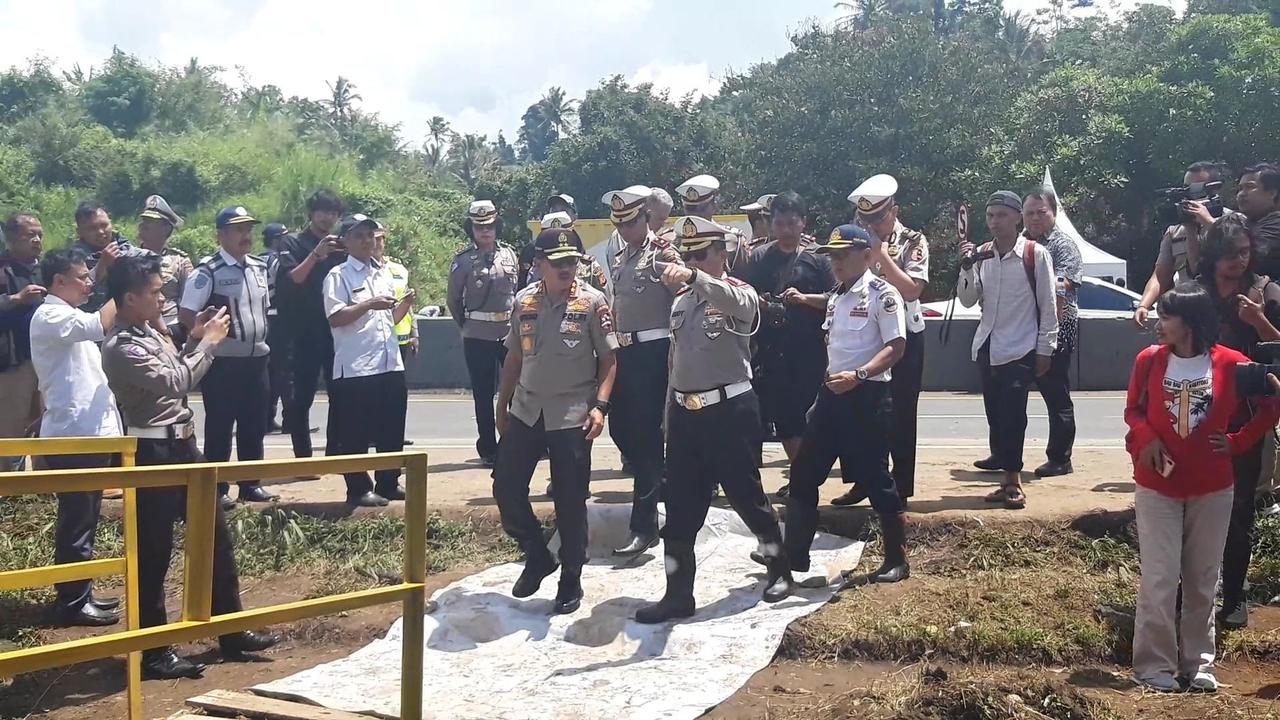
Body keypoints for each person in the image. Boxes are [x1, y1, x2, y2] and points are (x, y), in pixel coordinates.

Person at [101, 255, 279, 680]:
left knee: (215, 538)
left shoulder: (149, 333)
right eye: (155, 292)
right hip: (153, 453)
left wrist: (194, 338)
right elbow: (176, 381)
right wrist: (209, 343)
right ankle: (154, 650)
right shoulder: (121, 345)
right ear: (130, 297)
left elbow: (176, 366)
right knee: (154, 552)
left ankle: (231, 629)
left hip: (184, 448)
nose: (162, 298)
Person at [635, 216, 793, 624]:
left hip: (729, 410)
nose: (693, 261)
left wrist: (692, 275)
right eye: (688, 255)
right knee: (681, 511)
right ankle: (677, 594)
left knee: (748, 499)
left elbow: (741, 305)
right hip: (687, 414)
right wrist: (670, 416)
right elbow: (676, 362)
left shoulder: (738, 292)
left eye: (701, 254)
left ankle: (779, 568)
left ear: (722, 255)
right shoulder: (682, 302)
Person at [1123, 283, 1279, 692]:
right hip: (1157, 486)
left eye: (1166, 316)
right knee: (1159, 576)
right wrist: (1146, 438)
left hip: (1213, 486)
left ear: (1190, 322)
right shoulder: (1149, 361)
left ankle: (1198, 663)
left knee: (1202, 577)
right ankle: (1153, 665)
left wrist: (1238, 442)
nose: (1159, 324)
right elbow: (1133, 410)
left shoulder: (1231, 364)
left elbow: (1271, 403)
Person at [493, 227, 616, 615]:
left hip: (572, 415)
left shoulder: (593, 303)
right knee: (506, 488)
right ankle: (536, 552)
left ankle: (570, 580)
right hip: (527, 410)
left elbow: (610, 361)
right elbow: (514, 358)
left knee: (570, 502)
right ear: (539, 265)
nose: (567, 269)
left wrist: (600, 407)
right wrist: (502, 404)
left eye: (572, 262)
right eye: (558, 263)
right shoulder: (523, 302)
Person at [783, 225, 909, 584]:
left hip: (866, 398)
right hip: (831, 398)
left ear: (867, 255)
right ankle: (795, 555)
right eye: (832, 256)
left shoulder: (883, 295)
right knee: (804, 472)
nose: (835, 262)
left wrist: (860, 375)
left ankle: (896, 560)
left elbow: (896, 347)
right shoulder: (838, 294)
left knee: (876, 479)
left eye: (842, 255)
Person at [1195, 214, 1280, 630]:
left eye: (1244, 253)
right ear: (1213, 256)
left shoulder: (1266, 292)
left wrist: (1260, 323)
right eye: (1230, 256)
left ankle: (1234, 595)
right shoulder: (1195, 293)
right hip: (1195, 414)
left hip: (1247, 416)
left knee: (1240, 510)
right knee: (1191, 508)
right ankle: (1190, 592)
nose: (1238, 263)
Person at [29, 248, 122, 627]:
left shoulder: (66, 315)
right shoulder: (50, 315)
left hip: (86, 433)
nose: (89, 282)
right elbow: (100, 324)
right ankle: (71, 602)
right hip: (73, 435)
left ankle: (80, 593)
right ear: (58, 283)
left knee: (85, 517)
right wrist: (122, 284)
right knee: (77, 520)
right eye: (82, 277)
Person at [958, 191, 1058, 510]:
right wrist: (967, 266)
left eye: (1001, 215)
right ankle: (1003, 474)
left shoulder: (1035, 254)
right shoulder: (983, 254)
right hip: (988, 344)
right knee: (995, 414)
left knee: (1014, 415)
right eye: (990, 216)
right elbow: (968, 299)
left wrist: (1045, 348)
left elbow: (1049, 304)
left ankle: (1013, 481)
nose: (995, 222)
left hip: (1022, 345)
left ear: (1017, 218)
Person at [834, 174, 929, 506]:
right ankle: (863, 481)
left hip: (902, 336)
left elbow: (912, 289)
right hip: (864, 336)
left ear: (894, 211)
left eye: (877, 216)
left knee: (900, 414)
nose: (871, 224)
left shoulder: (913, 241)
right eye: (865, 218)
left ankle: (899, 489)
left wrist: (881, 254)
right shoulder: (854, 242)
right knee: (859, 413)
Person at [601, 186, 682, 555]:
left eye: (631, 223)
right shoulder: (620, 255)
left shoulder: (663, 253)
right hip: (625, 349)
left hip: (655, 350)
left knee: (647, 437)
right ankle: (660, 480)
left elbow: (681, 301)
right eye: (619, 224)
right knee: (620, 427)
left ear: (645, 219)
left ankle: (644, 525)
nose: (625, 230)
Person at [179, 206, 276, 510]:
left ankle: (250, 484)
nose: (245, 236)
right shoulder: (208, 271)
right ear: (221, 235)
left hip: (257, 358)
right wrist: (205, 332)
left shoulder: (260, 267)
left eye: (248, 229)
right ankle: (217, 488)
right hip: (223, 361)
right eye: (238, 230)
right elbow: (186, 314)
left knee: (254, 424)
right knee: (221, 425)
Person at [737, 192, 834, 476]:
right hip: (770, 349)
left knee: (809, 416)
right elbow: (739, 290)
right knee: (784, 417)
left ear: (803, 223)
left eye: (792, 223)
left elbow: (836, 297)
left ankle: (806, 475)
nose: (786, 230)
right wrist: (762, 302)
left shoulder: (817, 258)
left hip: (809, 350)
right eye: (780, 224)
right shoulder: (759, 257)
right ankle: (800, 476)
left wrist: (804, 299)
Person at [324, 214, 415, 507]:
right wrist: (368, 304)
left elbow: (388, 318)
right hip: (356, 366)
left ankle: (388, 482)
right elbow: (336, 317)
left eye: (370, 235)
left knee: (391, 427)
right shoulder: (338, 276)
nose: (367, 241)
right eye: (359, 235)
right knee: (355, 432)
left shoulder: (383, 273)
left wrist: (405, 306)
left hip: (388, 362)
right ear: (346, 241)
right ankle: (358, 488)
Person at [447, 200, 520, 467]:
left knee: (514, 390)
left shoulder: (510, 255)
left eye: (489, 226)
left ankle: (514, 442)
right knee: (482, 394)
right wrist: (466, 326)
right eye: (479, 227)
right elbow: (453, 300)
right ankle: (488, 448)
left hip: (508, 333)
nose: (485, 232)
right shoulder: (463, 261)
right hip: (477, 334)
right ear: (472, 230)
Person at [276, 189, 347, 460]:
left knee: (339, 395)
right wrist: (316, 255)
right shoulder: (290, 243)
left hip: (334, 331)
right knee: (300, 398)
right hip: (300, 331)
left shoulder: (341, 247)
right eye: (323, 211)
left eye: (333, 213)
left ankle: (335, 454)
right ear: (311, 213)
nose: (328, 218)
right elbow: (292, 278)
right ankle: (303, 457)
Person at [1023, 187, 1081, 477]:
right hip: (1023, 326)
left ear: (1054, 213)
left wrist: (1049, 328)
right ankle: (1002, 453)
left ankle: (1060, 458)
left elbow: (1064, 284)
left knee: (1055, 392)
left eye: (1041, 212)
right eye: (1029, 213)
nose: (1034, 218)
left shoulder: (1062, 244)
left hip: (1059, 323)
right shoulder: (1018, 243)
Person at [1134, 162, 1228, 328]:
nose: (1189, 196)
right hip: (1186, 313)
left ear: (1214, 189)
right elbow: (1160, 275)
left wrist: (1207, 222)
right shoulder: (1175, 231)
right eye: (1185, 189)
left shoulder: (1232, 222)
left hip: (1222, 311)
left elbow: (1236, 250)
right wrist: (1144, 305)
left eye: (1195, 189)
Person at [0, 213, 45, 471]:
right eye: (30, 235)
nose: (37, 240)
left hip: (45, 360)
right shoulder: (3, 268)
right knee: (10, 430)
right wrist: (15, 299)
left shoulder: (45, 269)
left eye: (40, 235)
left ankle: (44, 491)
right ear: (11, 238)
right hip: (13, 363)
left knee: (45, 424)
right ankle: (9, 496)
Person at [71, 200, 151, 313]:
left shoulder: (131, 252)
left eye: (104, 225)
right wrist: (100, 267)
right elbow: (77, 301)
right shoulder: (72, 261)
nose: (100, 232)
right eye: (92, 228)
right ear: (79, 232)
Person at [135, 195, 192, 343]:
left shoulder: (179, 261)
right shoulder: (130, 257)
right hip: (138, 327)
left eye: (150, 222)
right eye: (144, 220)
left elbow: (189, 301)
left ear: (166, 228)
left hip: (171, 327)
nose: (143, 225)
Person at [675, 174, 750, 272]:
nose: (695, 214)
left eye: (701, 209)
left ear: (714, 206)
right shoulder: (674, 241)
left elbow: (745, 278)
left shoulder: (733, 239)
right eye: (690, 209)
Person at [262, 222, 294, 434]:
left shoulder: (256, 259)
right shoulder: (277, 260)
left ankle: (267, 418)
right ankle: (291, 420)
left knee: (271, 373)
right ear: (276, 240)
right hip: (280, 320)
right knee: (287, 373)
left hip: (264, 320)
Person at [376, 227, 419, 362]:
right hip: (376, 340)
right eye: (373, 239)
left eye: (379, 239)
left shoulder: (398, 269)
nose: (376, 243)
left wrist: (414, 333)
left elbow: (408, 303)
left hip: (401, 339)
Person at [521, 194, 577, 288]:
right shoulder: (532, 248)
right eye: (554, 210)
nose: (557, 214)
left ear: (574, 217)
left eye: (564, 210)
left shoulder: (578, 246)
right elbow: (522, 286)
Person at [1239, 163, 1280, 279]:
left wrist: (1209, 223)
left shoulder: (1276, 223)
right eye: (1240, 188)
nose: (1241, 194)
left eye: (1250, 187)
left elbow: (1252, 259)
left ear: (1272, 193)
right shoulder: (1248, 223)